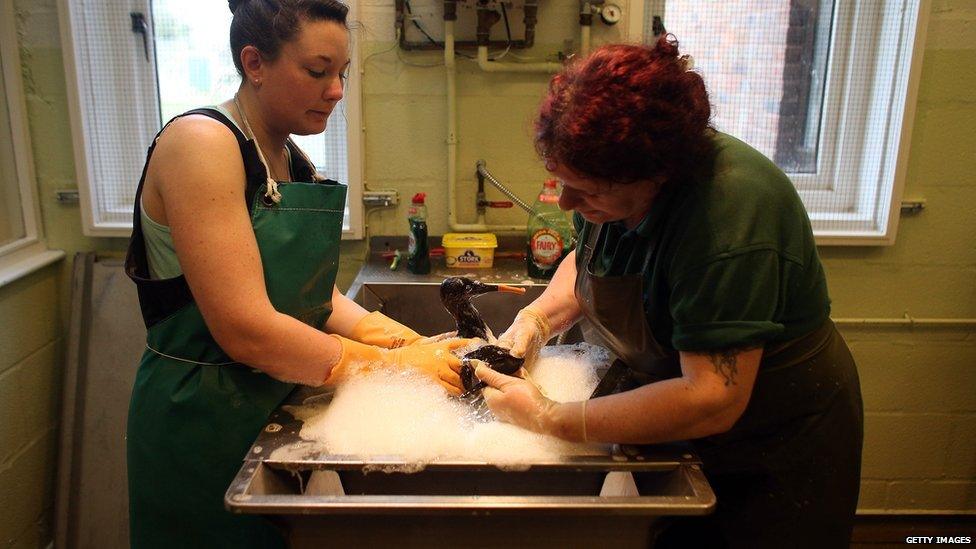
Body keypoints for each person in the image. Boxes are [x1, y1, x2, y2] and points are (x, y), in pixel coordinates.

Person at [476, 36, 864, 548]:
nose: (567, 202)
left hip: (774, 445)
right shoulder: (615, 194)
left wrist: (552, 417)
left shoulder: (728, 218)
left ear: (658, 173)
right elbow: (590, 258)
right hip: (688, 419)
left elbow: (712, 396)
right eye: (562, 181)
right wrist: (536, 321)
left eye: (587, 189)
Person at [124, 1, 472, 546]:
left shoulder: (288, 159)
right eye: (317, 71)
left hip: (274, 395)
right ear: (255, 63)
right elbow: (246, 329)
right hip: (203, 418)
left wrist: (403, 342)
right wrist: (391, 367)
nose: (336, 90)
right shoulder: (202, 144)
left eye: (342, 74)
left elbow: (313, 297)